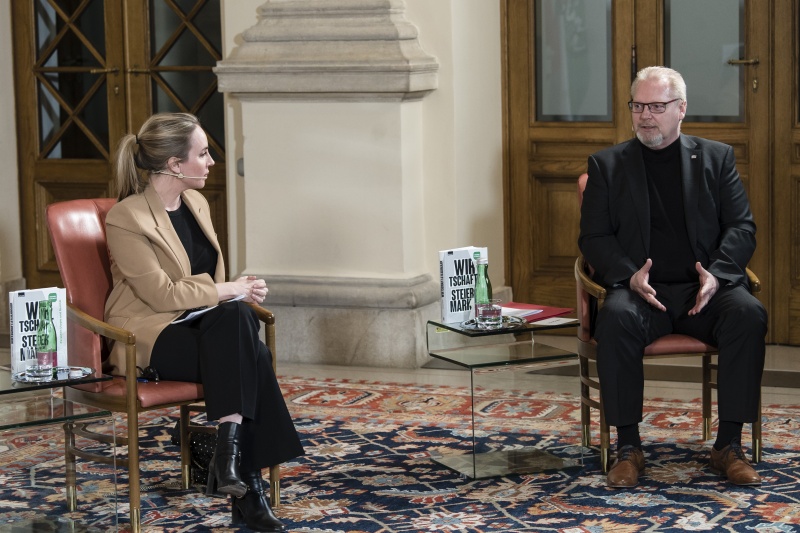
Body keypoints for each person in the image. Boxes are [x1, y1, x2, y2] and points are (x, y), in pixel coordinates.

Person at [106, 112, 303, 532]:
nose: (212, 161)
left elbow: (210, 286)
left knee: (236, 320)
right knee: (254, 352)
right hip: (147, 334)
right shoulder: (127, 217)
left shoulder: (196, 203)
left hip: (201, 326)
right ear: (175, 164)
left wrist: (233, 291)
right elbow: (160, 295)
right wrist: (231, 289)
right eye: (204, 153)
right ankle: (242, 482)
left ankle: (230, 464)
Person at [578, 66, 767, 488]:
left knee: (748, 314)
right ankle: (628, 447)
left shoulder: (716, 158)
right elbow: (593, 237)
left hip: (703, 292)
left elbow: (742, 227)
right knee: (617, 318)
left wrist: (717, 275)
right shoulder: (607, 166)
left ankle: (728, 445)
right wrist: (629, 276)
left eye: (657, 106)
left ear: (681, 109)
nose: (646, 115)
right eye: (639, 105)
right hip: (642, 292)